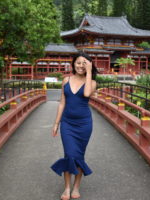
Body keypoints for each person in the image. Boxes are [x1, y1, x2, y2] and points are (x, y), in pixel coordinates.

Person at [51, 52, 98, 200]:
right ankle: (66, 188)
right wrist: (56, 123)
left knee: (78, 156)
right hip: (67, 124)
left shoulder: (93, 83)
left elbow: (86, 94)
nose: (81, 66)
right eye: (78, 63)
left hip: (84, 124)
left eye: (85, 63)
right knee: (69, 154)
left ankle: (76, 187)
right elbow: (62, 102)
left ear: (89, 65)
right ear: (73, 64)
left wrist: (89, 72)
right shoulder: (66, 80)